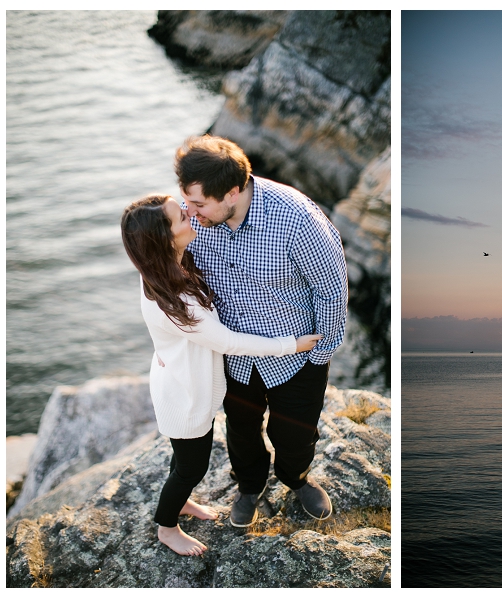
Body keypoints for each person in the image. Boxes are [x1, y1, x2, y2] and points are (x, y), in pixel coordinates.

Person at [121, 194, 322, 556]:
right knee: (191, 468)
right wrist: (290, 345)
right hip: (185, 397)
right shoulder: (173, 303)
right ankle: (167, 526)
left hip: (183, 382)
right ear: (165, 239)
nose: (190, 215)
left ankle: (180, 502)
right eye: (181, 216)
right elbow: (228, 341)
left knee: (181, 460)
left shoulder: (163, 269)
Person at [173, 134, 348, 527]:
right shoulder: (192, 218)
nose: (190, 211)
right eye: (187, 200)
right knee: (241, 429)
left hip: (296, 354)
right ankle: (250, 486)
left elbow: (332, 290)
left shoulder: (298, 219)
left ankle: (297, 479)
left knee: (295, 434)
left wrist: (318, 357)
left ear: (232, 192)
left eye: (199, 204)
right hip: (234, 356)